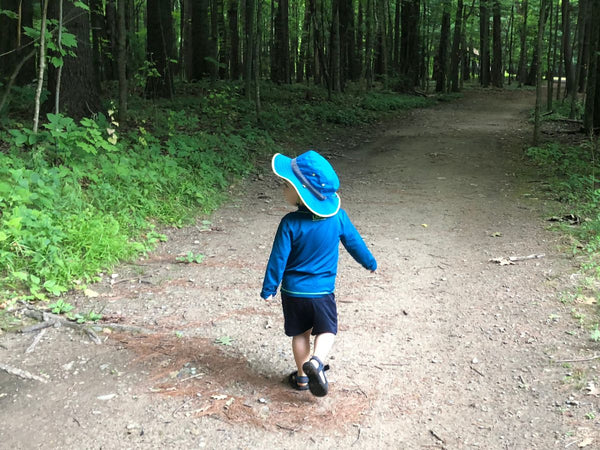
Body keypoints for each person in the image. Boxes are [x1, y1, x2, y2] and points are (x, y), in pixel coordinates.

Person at [260, 150, 377, 397]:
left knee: (299, 334)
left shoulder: (289, 223)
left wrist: (270, 287)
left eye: (287, 185)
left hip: (293, 292)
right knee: (327, 330)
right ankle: (317, 361)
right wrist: (370, 263)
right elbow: (355, 244)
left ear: (301, 193)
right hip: (322, 292)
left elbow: (278, 258)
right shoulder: (338, 218)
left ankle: (302, 378)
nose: (283, 188)